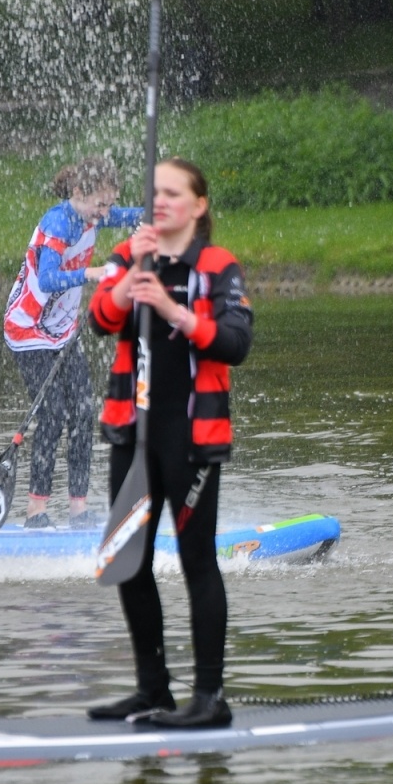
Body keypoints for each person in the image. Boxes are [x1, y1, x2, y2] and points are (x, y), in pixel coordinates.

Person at [85, 158, 253, 729]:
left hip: (191, 439)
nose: (159, 201)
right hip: (133, 436)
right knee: (126, 561)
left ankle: (209, 698)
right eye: (153, 191)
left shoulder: (217, 267)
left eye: (172, 193)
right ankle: (152, 691)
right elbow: (100, 320)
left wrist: (175, 312)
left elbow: (234, 343)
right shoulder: (129, 257)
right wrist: (131, 283)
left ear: (199, 205)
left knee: (196, 561)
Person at [3, 158, 141, 529]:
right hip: (28, 330)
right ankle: (36, 513)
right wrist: (93, 272)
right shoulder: (59, 222)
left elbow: (130, 216)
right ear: (78, 194)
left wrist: (165, 215)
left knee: (82, 411)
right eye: (100, 204)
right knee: (52, 415)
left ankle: (78, 510)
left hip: (62, 330)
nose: (106, 213)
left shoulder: (91, 214)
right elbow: (47, 279)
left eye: (109, 204)